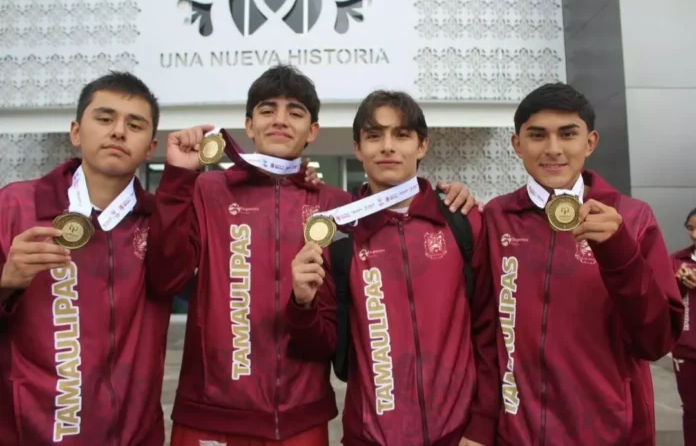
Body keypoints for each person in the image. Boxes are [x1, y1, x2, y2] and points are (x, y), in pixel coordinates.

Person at [145, 65, 477, 446]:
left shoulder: (338, 207)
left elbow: (338, 324)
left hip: (301, 419)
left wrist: (450, 198)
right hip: (210, 414)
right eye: (267, 110)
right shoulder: (207, 190)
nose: (280, 120)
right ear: (249, 125)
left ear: (313, 131)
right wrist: (177, 178)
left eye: (295, 112)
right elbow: (166, 279)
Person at [286, 90, 500, 446]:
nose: (388, 147)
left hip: (458, 436)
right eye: (374, 136)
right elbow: (322, 347)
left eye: (401, 135)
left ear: (422, 145)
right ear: (358, 149)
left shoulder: (463, 222)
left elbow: (489, 331)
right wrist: (302, 304)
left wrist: (480, 426)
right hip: (371, 437)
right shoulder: (339, 237)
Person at [483, 83, 684, 445]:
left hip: (609, 433)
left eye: (568, 134)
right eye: (537, 135)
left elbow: (656, 341)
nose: (553, 148)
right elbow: (481, 331)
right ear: (517, 144)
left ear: (590, 142)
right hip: (517, 433)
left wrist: (619, 251)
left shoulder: (633, 218)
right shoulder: (496, 217)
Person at [0, 72, 170, 445]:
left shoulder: (161, 223)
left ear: (150, 147)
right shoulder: (15, 206)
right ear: (76, 132)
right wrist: (5, 282)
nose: (119, 132)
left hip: (135, 435)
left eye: (134, 125)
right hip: (34, 434)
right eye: (105, 118)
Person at [670, 207, 696, 446]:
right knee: (691, 410)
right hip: (687, 349)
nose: (694, 234)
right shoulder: (677, 260)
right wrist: (679, 284)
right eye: (690, 228)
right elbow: (665, 299)